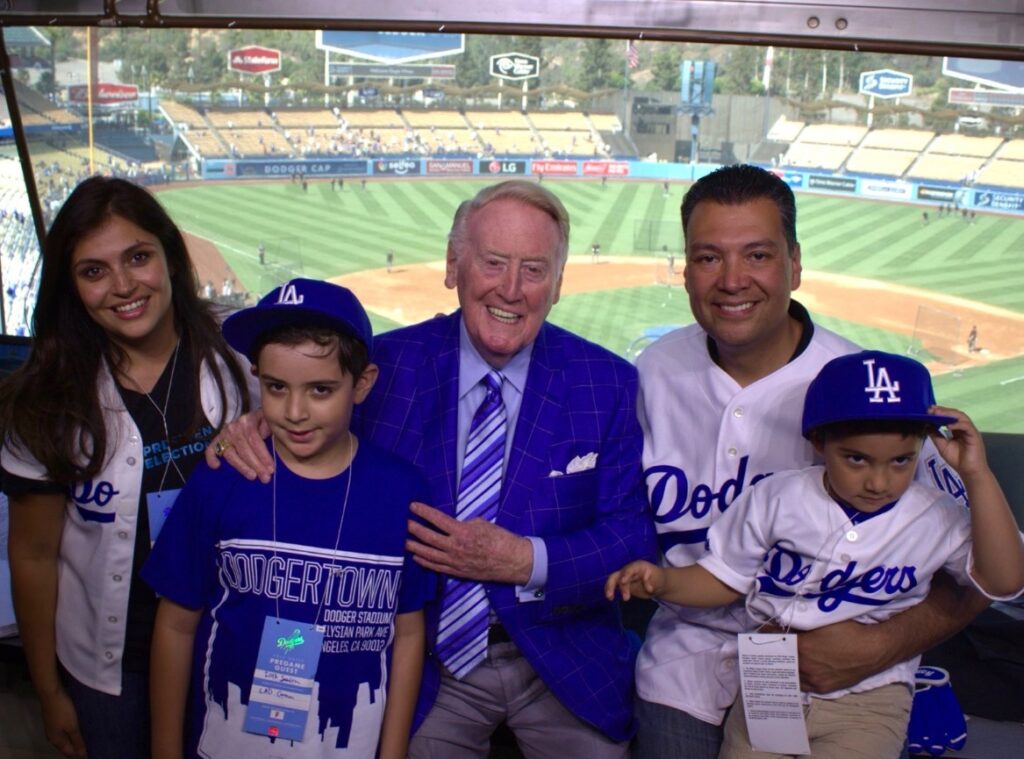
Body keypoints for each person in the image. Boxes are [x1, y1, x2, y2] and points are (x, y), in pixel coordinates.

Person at [206, 180, 656, 756]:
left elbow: (631, 536)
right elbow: (304, 425)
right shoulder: (381, 369)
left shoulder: (607, 382)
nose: (511, 290)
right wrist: (253, 427)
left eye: (535, 270)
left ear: (560, 284)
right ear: (453, 266)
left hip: (561, 656)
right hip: (426, 655)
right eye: (493, 263)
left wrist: (525, 560)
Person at [633, 164, 986, 758]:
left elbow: (983, 574)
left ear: (795, 265)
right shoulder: (650, 374)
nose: (732, 280)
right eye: (708, 258)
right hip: (684, 659)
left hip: (841, 674)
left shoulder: (867, 391)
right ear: (687, 269)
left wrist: (886, 644)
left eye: (758, 255)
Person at [612, 350, 1024, 758]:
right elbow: (723, 579)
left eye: (901, 460)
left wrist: (977, 474)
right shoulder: (778, 498)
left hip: (871, 696)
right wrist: (664, 581)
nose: (878, 481)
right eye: (857, 459)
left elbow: (1004, 581)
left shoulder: (935, 515)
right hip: (769, 686)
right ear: (820, 442)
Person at [0, 176, 253, 758]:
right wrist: (48, 689)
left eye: (138, 257)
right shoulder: (46, 401)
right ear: (72, 286)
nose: (123, 286)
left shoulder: (241, 357)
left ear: (169, 255)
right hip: (112, 669)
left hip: (231, 637)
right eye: (94, 271)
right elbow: (34, 556)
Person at [143, 278, 432, 759]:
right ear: (257, 377)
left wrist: (394, 752)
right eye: (275, 388)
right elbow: (175, 624)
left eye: (320, 390)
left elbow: (407, 634)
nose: (295, 412)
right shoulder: (220, 478)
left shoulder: (402, 492)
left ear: (362, 384)